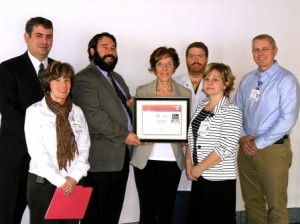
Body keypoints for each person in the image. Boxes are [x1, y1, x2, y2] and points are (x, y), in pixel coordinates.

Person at [71, 32, 141, 224]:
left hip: (120, 157)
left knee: (112, 212)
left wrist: (133, 108)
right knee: (95, 215)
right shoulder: (85, 78)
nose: (110, 52)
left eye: (113, 48)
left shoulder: (116, 77)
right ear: (92, 51)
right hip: (100, 160)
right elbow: (93, 115)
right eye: (105, 47)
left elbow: (121, 109)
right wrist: (125, 135)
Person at [235, 34, 300, 224]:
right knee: (252, 204)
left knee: (276, 206)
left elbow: (287, 119)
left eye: (265, 49)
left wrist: (258, 142)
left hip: (272, 150)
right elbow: (236, 112)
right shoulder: (247, 80)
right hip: (246, 149)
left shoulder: (286, 80)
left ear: (275, 51)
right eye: (256, 49)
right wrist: (243, 137)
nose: (260, 53)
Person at [0, 17, 54, 224]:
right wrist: (38, 143)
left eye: (49, 36)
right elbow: (10, 113)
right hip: (17, 157)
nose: (44, 41)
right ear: (27, 37)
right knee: (9, 214)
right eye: (39, 35)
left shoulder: (59, 70)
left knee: (48, 216)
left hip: (51, 161)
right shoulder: (8, 68)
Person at [130, 47, 192, 224]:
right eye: (160, 64)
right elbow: (135, 123)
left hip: (172, 160)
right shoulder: (141, 91)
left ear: (175, 67)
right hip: (145, 159)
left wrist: (185, 137)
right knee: (147, 210)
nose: (164, 68)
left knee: (166, 209)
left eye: (169, 64)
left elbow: (187, 126)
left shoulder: (185, 93)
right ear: (154, 67)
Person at [24, 61, 90, 224]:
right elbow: (37, 152)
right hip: (44, 185)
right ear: (48, 82)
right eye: (57, 79)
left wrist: (74, 178)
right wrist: (61, 182)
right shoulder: (35, 112)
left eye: (67, 80)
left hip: (74, 182)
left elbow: (84, 146)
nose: (63, 84)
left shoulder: (77, 112)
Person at [186, 63, 242, 223]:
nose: (209, 82)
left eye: (215, 79)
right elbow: (191, 138)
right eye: (207, 78)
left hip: (219, 180)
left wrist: (199, 168)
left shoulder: (231, 111)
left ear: (226, 84)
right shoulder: (202, 107)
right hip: (199, 176)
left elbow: (225, 147)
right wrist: (189, 164)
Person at [173, 42, 208, 224]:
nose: (196, 60)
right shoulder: (174, 82)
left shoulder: (214, 83)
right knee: (178, 209)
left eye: (200, 56)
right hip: (180, 152)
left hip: (206, 155)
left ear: (206, 59)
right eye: (192, 56)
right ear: (186, 59)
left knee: (201, 210)